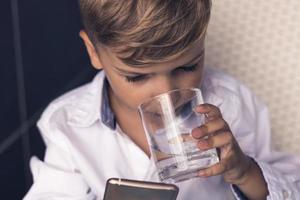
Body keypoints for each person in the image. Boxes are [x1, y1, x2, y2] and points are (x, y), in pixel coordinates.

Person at [24, 0, 300, 199]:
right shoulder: (67, 126)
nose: (165, 92)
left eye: (187, 67)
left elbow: (292, 189)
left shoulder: (230, 104)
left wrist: (244, 171)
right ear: (93, 51)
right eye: (136, 77)